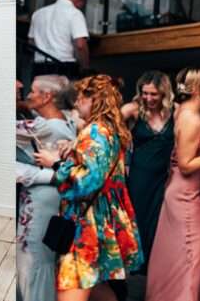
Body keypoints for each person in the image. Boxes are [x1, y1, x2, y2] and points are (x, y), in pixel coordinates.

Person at [35, 74, 142, 301]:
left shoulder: (95, 131)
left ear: (95, 99)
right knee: (95, 288)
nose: (76, 103)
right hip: (102, 219)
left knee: (73, 285)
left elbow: (86, 182)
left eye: (81, 97)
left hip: (86, 224)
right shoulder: (110, 130)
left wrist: (54, 163)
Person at [146, 67, 200, 301]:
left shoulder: (187, 110)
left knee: (186, 257)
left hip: (187, 192)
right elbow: (186, 164)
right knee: (192, 257)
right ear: (197, 88)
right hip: (187, 197)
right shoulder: (191, 118)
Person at [16, 75, 78, 301]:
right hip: (54, 199)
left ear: (47, 97)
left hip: (40, 201)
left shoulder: (43, 127)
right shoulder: (68, 121)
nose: (28, 95)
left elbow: (5, 126)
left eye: (33, 91)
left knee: (32, 259)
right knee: (42, 259)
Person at [120, 71, 176, 276]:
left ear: (164, 93)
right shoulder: (133, 110)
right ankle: (135, 268)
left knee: (159, 223)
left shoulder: (175, 112)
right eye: (145, 93)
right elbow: (107, 125)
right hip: (139, 178)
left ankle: (155, 267)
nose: (149, 98)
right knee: (138, 220)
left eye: (154, 94)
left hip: (165, 177)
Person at [28, 0, 90, 80]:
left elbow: (31, 41)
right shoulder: (75, 13)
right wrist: (85, 68)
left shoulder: (38, 13)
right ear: (80, 1)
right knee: (61, 94)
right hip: (63, 66)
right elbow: (80, 45)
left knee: (38, 93)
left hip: (39, 67)